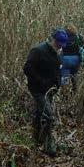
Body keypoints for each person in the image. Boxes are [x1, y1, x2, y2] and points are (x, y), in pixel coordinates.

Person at [23, 28, 68, 157]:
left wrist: (60, 83)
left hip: (50, 90)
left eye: (62, 45)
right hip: (37, 89)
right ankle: (49, 144)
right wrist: (41, 81)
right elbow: (27, 68)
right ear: (53, 40)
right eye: (59, 44)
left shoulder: (59, 52)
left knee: (40, 112)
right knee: (48, 114)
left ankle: (36, 138)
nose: (60, 47)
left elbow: (61, 69)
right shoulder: (38, 50)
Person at [60, 24, 84, 93]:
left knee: (64, 78)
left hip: (65, 59)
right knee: (74, 75)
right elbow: (83, 46)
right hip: (76, 59)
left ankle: (65, 94)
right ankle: (75, 91)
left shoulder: (64, 37)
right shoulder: (78, 37)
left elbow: (59, 47)